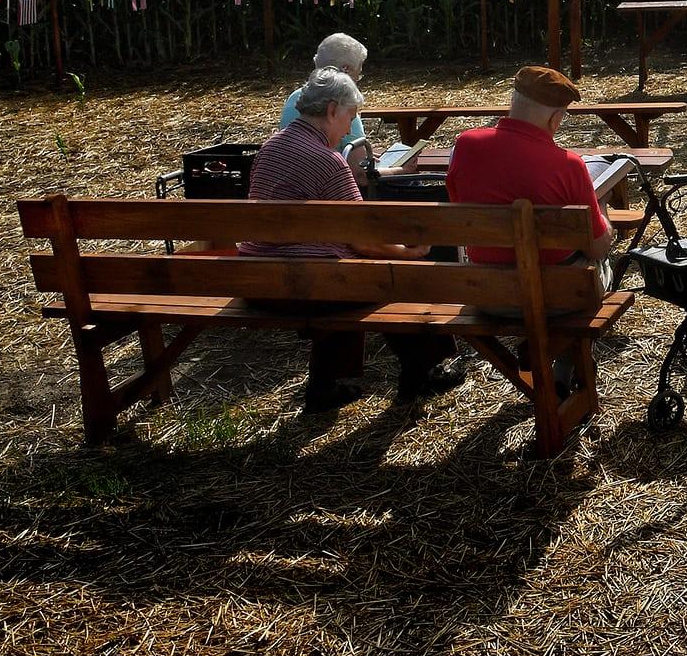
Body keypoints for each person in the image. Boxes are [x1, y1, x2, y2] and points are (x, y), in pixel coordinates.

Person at [239, 67, 459, 409]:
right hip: (304, 288)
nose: (347, 129)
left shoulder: (271, 149)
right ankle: (422, 372)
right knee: (396, 276)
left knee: (340, 270)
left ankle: (325, 385)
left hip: (257, 279)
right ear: (331, 111)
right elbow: (363, 240)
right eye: (349, 117)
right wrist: (408, 252)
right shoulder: (330, 162)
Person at [446, 65, 613, 267]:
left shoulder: (465, 144)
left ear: (512, 103)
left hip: (483, 285)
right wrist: (602, 205)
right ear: (556, 119)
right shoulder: (569, 165)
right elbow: (597, 247)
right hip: (558, 290)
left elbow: (457, 203)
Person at [280, 33, 368, 150]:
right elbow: (358, 165)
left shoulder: (295, 98)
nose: (358, 79)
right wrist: (400, 169)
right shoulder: (343, 104)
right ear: (346, 70)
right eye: (359, 74)